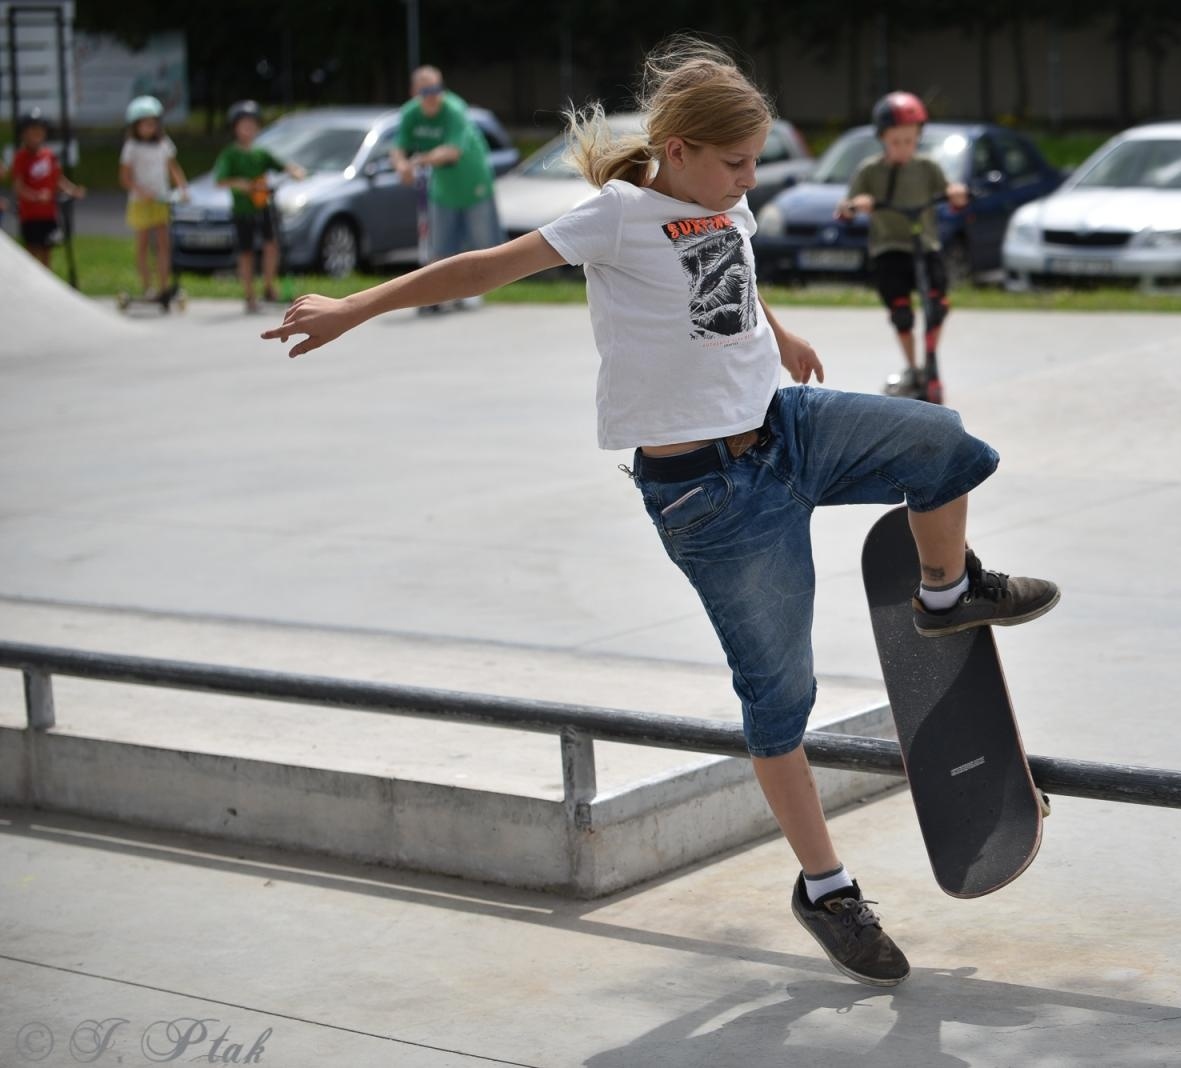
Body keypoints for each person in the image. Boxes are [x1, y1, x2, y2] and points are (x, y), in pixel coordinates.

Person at [263, 37, 1058, 989]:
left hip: (785, 430)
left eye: (754, 165)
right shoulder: (617, 215)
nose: (747, 181)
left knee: (946, 446)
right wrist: (357, 307)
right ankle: (827, 888)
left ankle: (944, 588)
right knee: (780, 703)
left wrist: (782, 330)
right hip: (711, 498)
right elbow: (481, 267)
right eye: (734, 163)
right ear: (677, 148)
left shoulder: (725, 203)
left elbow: (726, 290)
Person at [836, 92, 968, 397]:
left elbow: (950, 191)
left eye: (910, 141)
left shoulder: (926, 168)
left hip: (925, 243)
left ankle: (930, 359)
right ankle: (912, 366)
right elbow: (845, 207)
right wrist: (858, 204)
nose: (904, 149)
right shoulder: (870, 171)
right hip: (889, 248)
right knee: (902, 312)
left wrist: (956, 193)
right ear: (883, 139)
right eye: (896, 142)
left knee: (937, 304)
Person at [389, 66, 502, 313]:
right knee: (441, 244)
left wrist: (417, 161)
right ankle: (438, 294)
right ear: (414, 92)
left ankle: (472, 291)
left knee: (479, 243)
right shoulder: (410, 114)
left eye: (436, 89)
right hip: (443, 188)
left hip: (473, 182)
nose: (432, 96)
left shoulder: (454, 110)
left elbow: (451, 151)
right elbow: (398, 146)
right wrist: (401, 166)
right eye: (425, 91)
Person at [214, 100, 304, 313]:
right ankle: (249, 294)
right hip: (243, 211)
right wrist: (241, 185)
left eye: (252, 125)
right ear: (235, 127)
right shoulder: (230, 154)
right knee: (246, 252)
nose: (248, 129)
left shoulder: (260, 153)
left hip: (263, 206)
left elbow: (282, 165)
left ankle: (268, 285)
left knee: (271, 245)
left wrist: (295, 171)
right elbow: (220, 180)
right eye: (244, 125)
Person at [120, 95, 189, 299]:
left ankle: (164, 286)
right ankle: (147, 287)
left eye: (153, 123)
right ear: (136, 126)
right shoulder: (131, 147)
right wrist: (141, 192)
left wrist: (183, 188)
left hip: (160, 200)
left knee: (163, 245)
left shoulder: (164, 144)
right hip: (140, 202)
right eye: (145, 124)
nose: (149, 128)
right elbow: (124, 178)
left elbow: (173, 168)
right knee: (142, 245)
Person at [10, 109, 85, 270]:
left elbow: (57, 179)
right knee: (32, 251)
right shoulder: (21, 157)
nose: (37, 134)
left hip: (48, 213)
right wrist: (35, 196)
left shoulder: (49, 155)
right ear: (24, 134)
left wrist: (72, 190)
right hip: (30, 214)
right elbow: (18, 185)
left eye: (40, 131)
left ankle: (44, 283)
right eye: (32, 131)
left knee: (46, 250)